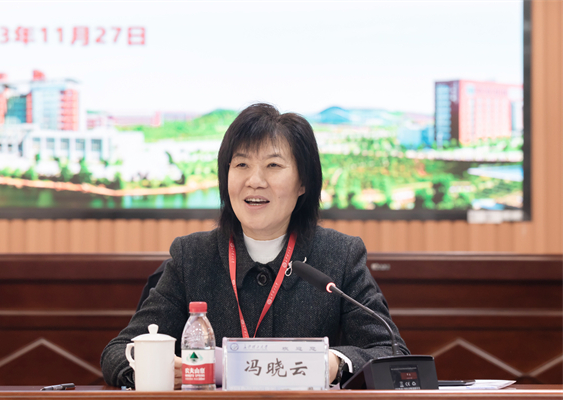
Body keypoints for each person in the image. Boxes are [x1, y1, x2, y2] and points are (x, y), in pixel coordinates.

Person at [100, 103, 409, 388]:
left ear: (303, 183)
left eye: (273, 165)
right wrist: (155, 368)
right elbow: (118, 353)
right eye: (242, 164)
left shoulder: (339, 255)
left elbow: (392, 354)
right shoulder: (192, 257)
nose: (255, 180)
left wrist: (334, 364)